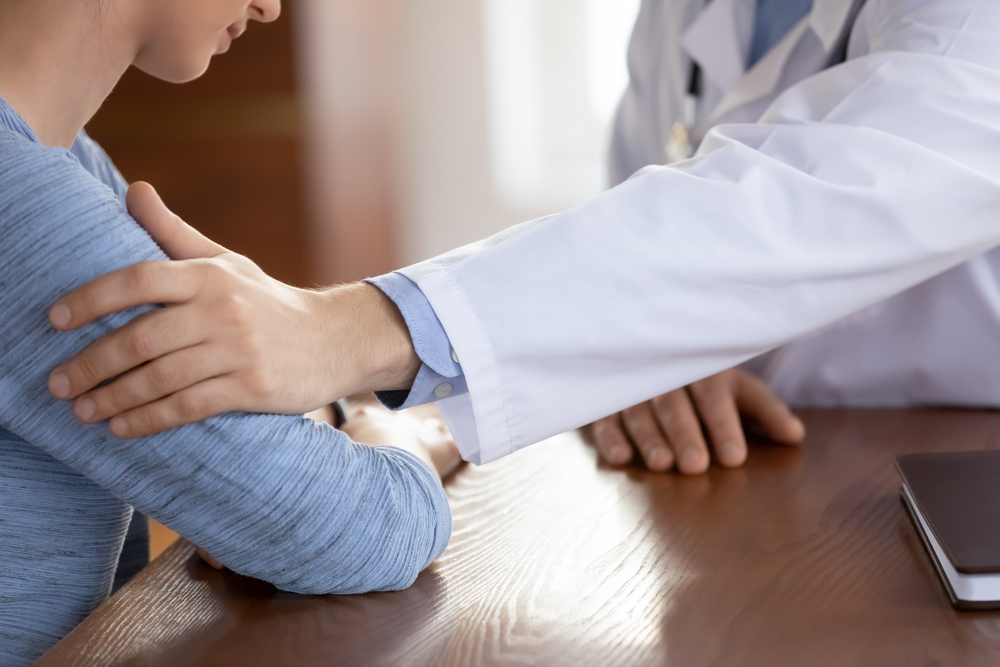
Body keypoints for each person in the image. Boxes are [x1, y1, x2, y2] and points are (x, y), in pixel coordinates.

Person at [47, 0, 1000, 475]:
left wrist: (348, 331)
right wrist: (657, 348)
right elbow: (661, 216)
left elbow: (816, 193)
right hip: (746, 482)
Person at [0, 1, 459, 665]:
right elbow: (354, 527)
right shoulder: (23, 203)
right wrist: (399, 436)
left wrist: (292, 436)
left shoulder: (70, 163)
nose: (270, 7)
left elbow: (249, 495)